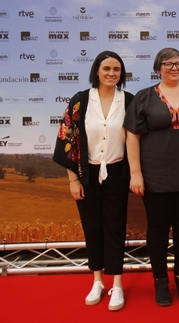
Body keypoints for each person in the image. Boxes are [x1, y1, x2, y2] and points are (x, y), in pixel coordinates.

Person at [124, 48, 179, 306]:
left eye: (178, 63)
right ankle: (160, 281)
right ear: (158, 68)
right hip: (155, 178)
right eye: (168, 64)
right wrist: (136, 173)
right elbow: (132, 137)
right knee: (158, 230)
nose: (174, 68)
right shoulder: (143, 97)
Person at [53, 51, 133, 312]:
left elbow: (137, 140)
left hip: (118, 174)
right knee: (93, 227)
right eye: (107, 68)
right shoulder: (80, 101)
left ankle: (117, 284)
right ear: (96, 71)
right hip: (87, 175)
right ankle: (97, 281)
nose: (112, 73)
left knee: (115, 227)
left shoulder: (130, 101)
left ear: (121, 74)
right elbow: (68, 141)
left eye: (117, 70)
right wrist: (73, 179)